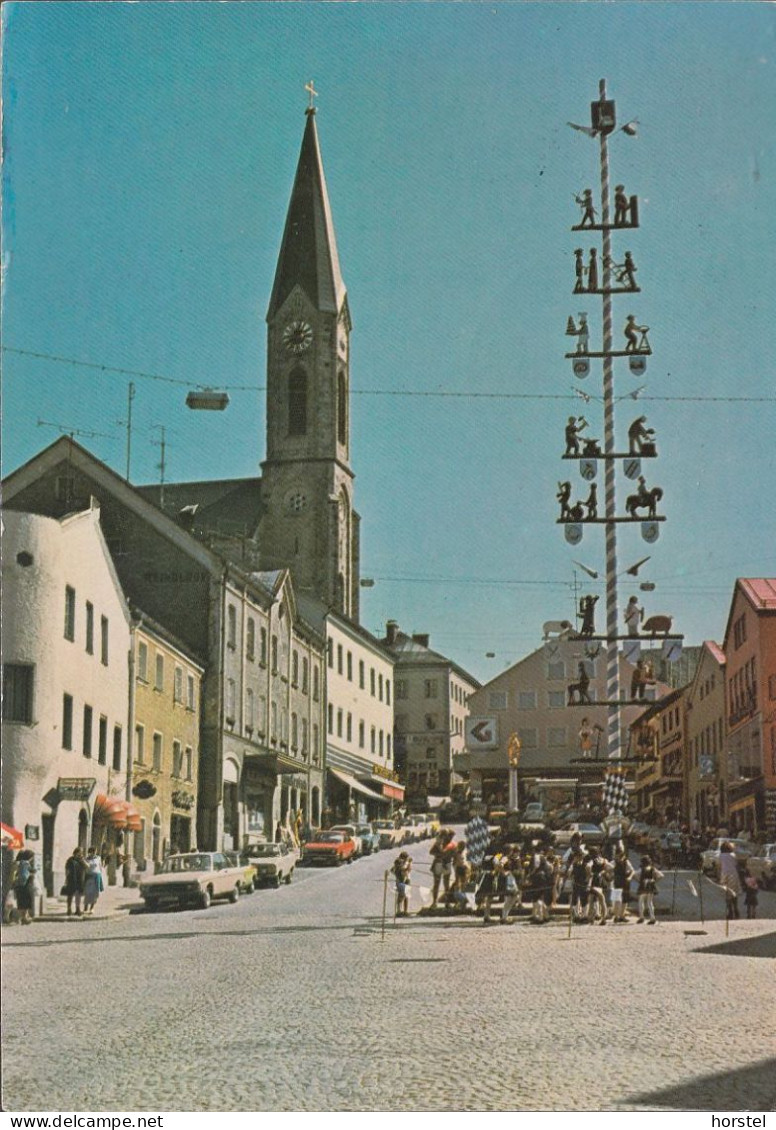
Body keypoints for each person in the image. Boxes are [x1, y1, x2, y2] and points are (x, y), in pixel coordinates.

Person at [429, 828, 456, 908]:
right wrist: (440, 854)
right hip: (439, 863)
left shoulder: (452, 844)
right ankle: (434, 902)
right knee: (437, 883)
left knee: (446, 884)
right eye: (449, 836)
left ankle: (447, 903)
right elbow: (431, 852)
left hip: (447, 863)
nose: (450, 838)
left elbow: (453, 855)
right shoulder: (439, 842)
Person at [636, 855, 663, 924]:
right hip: (651, 886)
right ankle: (652, 918)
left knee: (641, 901)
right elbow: (661, 875)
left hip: (643, 886)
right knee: (649, 902)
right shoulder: (653, 868)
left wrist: (639, 881)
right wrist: (654, 880)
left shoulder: (641, 869)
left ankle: (641, 917)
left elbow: (635, 875)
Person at [11, 849, 36, 926]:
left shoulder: (20, 863)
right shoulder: (25, 863)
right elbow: (24, 876)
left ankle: (23, 918)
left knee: (21, 902)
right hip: (25, 886)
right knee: (25, 902)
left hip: (20, 886)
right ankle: (24, 918)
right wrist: (31, 875)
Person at [718, 842, 741, 921]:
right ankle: (736, 910)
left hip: (724, 874)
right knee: (734, 893)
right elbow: (736, 865)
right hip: (733, 874)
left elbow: (719, 866)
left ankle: (730, 912)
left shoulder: (721, 856)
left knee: (727, 894)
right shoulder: (733, 855)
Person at [587, 847, 610, 925]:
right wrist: (603, 872)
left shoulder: (592, 860)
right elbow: (610, 867)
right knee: (602, 900)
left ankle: (591, 918)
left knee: (591, 900)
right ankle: (603, 918)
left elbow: (588, 866)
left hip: (594, 881)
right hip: (601, 881)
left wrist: (590, 873)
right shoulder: (604, 860)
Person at [611, 848, 635, 922]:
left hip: (625, 881)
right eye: (618, 855)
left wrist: (630, 877)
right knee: (617, 899)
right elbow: (608, 868)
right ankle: (616, 916)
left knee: (625, 899)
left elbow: (632, 870)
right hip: (617, 882)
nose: (620, 857)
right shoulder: (613, 862)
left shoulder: (626, 862)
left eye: (621, 855)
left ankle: (622, 915)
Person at [64, 846, 87, 917]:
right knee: (70, 895)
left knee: (78, 896)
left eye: (81, 853)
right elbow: (67, 870)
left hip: (80, 880)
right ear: (76, 852)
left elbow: (87, 867)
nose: (81, 854)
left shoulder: (81, 860)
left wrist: (82, 860)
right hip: (71, 879)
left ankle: (77, 909)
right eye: (80, 852)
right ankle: (69, 909)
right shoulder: (70, 860)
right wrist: (66, 879)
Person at [83, 846, 105, 915]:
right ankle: (85, 908)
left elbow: (100, 867)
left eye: (95, 852)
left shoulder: (98, 858)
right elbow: (87, 867)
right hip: (89, 876)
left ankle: (92, 908)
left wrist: (101, 874)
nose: (94, 853)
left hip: (97, 876)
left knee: (95, 894)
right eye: (93, 852)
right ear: (90, 852)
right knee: (88, 893)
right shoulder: (86, 859)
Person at [392, 851, 412, 917]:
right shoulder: (398, 862)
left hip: (407, 879)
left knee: (406, 895)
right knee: (401, 895)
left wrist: (409, 865)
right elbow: (396, 870)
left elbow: (408, 870)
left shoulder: (406, 862)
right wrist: (406, 867)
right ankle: (399, 911)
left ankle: (405, 911)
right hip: (401, 881)